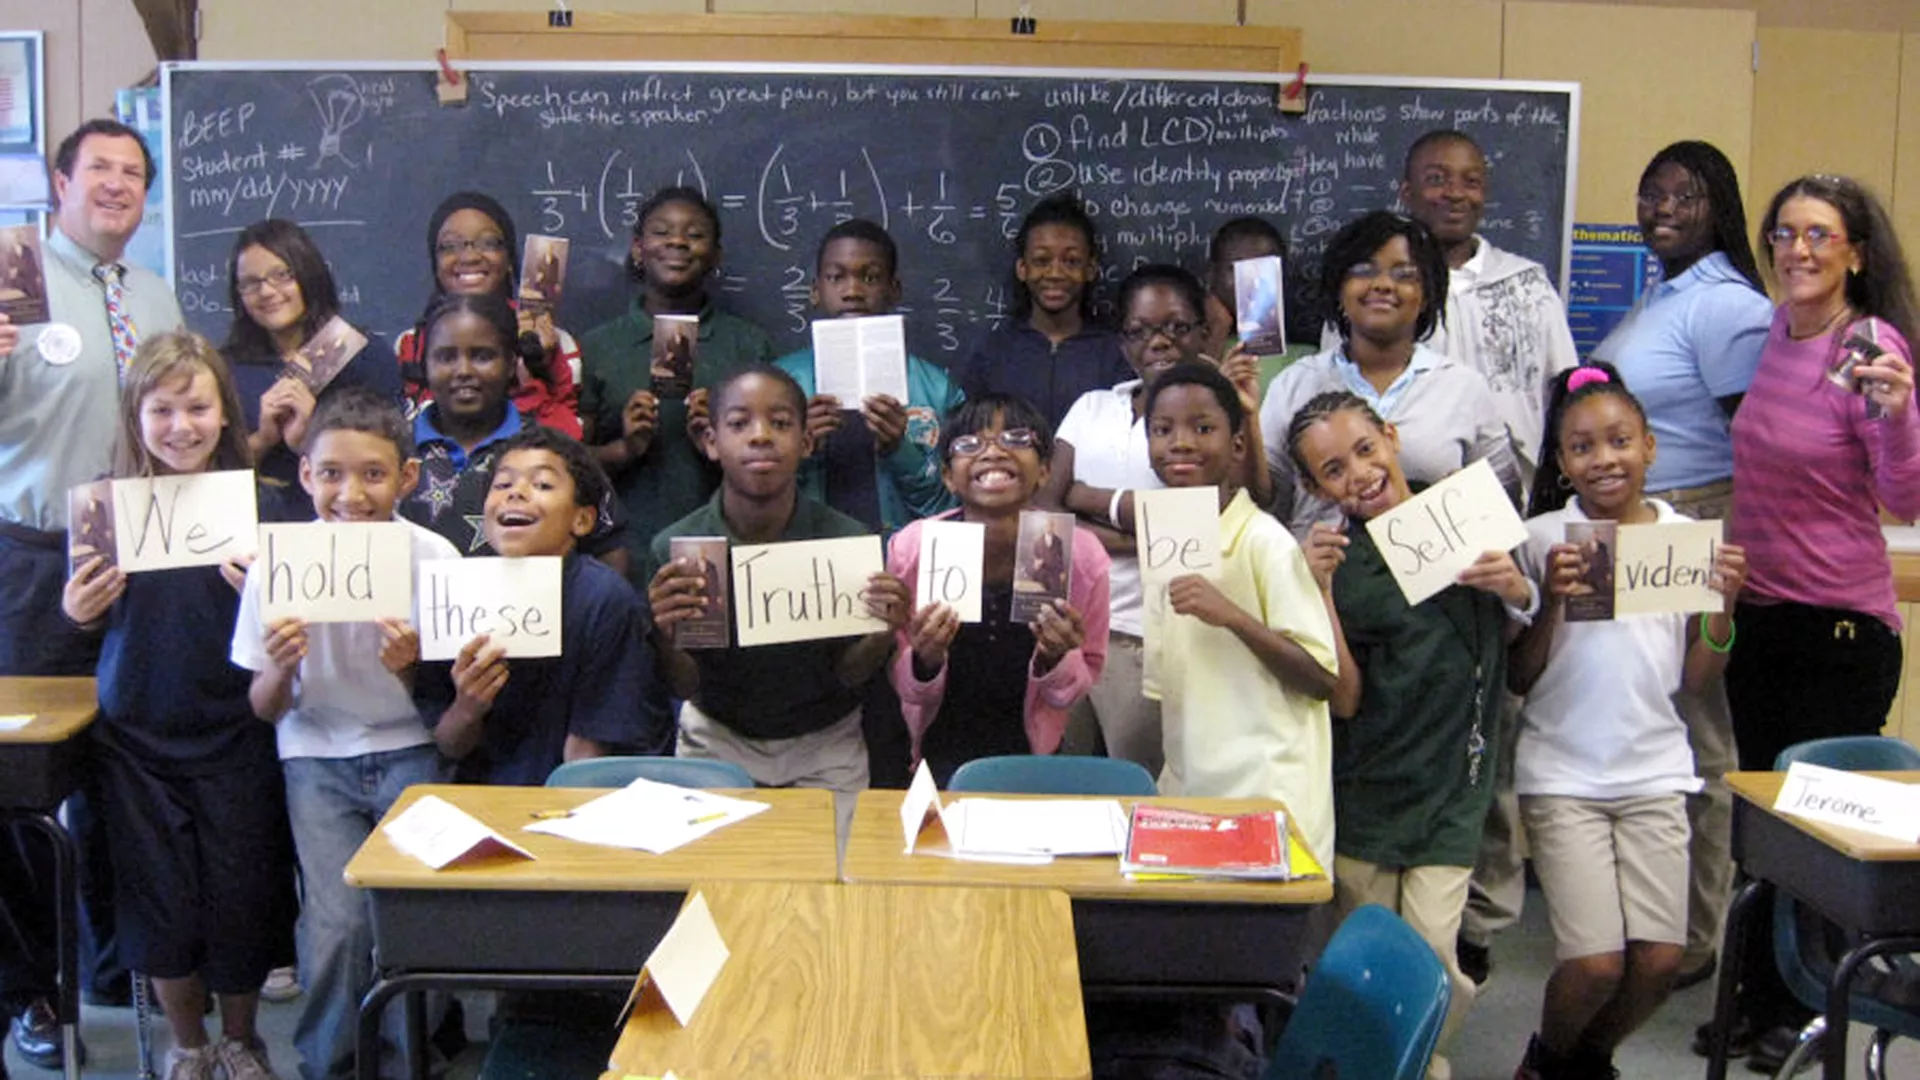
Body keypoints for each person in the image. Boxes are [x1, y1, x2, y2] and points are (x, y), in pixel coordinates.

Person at [1721, 173, 1920, 1069]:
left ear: (1856, 253)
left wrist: (1902, 415)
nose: (1798, 250)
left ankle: (1822, 1009)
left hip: (1839, 630)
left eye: (1819, 235)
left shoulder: (1865, 345)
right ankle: (1765, 1003)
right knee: (1768, 833)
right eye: (1785, 233)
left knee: (1814, 842)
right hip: (1764, 618)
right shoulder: (1777, 330)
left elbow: (1906, 494)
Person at [60, 331, 294, 1080]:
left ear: (226, 413)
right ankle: (187, 1043)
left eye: (197, 407)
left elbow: (296, 627)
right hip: (136, 735)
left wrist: (267, 588)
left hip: (237, 728)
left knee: (243, 890)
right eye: (162, 410)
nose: (181, 426)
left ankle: (241, 1038)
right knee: (158, 902)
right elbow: (90, 621)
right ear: (136, 417)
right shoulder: (105, 506)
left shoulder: (267, 509)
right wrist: (77, 607)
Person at [1511, 364, 1747, 1080]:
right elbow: (1520, 677)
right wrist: (1551, 598)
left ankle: (1589, 1059)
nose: (1603, 458)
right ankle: (1546, 1062)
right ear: (1562, 462)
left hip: (1655, 772)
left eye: (1619, 440)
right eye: (1582, 447)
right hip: (1562, 774)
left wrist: (1723, 604)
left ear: (1649, 446)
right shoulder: (1543, 536)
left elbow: (1695, 681)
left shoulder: (1682, 538)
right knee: (1593, 962)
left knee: (1659, 962)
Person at [1290, 390, 1535, 1080]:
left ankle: (1416, 1063)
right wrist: (1323, 595)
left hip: (1454, 780)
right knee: (1360, 956)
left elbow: (1515, 638)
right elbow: (1344, 699)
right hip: (1371, 780)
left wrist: (1517, 589)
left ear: (1392, 438)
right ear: (1314, 488)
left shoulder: (1465, 513)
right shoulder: (1344, 561)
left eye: (1366, 450)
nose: (1360, 475)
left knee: (1433, 958)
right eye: (1333, 471)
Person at [0, 117, 175, 1066]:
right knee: (24, 790)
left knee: (122, 769)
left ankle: (118, 963)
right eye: (99, 168)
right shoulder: (14, 280)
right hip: (33, 559)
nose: (117, 184)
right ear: (61, 184)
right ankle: (32, 990)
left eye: (134, 172)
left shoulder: (153, 291)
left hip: (146, 556)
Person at [228, 387, 455, 1080]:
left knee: (417, 917)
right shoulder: (279, 566)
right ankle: (330, 1061)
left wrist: (413, 668)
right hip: (315, 754)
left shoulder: (434, 557)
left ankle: (411, 1054)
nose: (350, 494)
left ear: (407, 479)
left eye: (373, 474)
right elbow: (264, 707)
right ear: (305, 475)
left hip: (410, 749)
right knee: (336, 927)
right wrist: (281, 664)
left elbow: (456, 705)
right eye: (330, 474)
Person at [1593, 140, 1772, 999]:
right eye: (1651, 191)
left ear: (1719, 206)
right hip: (1649, 526)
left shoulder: (1728, 305)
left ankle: (1697, 936)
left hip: (1694, 522)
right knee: (1648, 714)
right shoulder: (1667, 293)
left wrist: (1723, 557)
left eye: (1685, 196)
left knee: (1695, 731)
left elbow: (1758, 445)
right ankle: (1654, 917)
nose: (1662, 207)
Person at [646, 366, 910, 820]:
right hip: (718, 736)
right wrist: (665, 635)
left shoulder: (846, 542)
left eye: (782, 423)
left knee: (835, 878)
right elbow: (685, 684)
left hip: (826, 741)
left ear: (807, 443)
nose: (761, 436)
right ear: (710, 441)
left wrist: (883, 633)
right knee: (715, 876)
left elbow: (850, 673)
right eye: (739, 423)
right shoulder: (678, 549)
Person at [1042, 265, 1264, 774]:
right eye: (1140, 331)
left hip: (1152, 635)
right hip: (1070, 628)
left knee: (1140, 786)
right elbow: (1045, 514)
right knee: (1061, 781)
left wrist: (1090, 497)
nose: (1158, 342)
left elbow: (1206, 523)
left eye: (1176, 327)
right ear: (1123, 344)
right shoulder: (1093, 407)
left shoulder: (1209, 417)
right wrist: (1137, 529)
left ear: (1203, 333)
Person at [1143, 362, 1338, 864]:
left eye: (1202, 428)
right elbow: (1174, 693)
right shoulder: (1166, 540)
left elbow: (1321, 679)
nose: (1180, 443)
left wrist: (1232, 616)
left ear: (1236, 447)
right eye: (1162, 430)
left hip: (1270, 800)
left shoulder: (1266, 542)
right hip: (1194, 800)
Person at [418, 426, 669, 785]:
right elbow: (449, 744)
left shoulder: (605, 600)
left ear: (581, 519)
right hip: (481, 797)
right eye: (502, 485)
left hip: (575, 799)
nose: (516, 493)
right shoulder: (456, 593)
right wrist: (467, 707)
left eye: (543, 485)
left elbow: (588, 757)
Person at [1325, 130, 1579, 480]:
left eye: (1471, 181)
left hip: (1516, 499)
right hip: (1384, 494)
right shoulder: (1372, 298)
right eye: (1436, 179)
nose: (1455, 193)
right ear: (1406, 194)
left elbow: (1565, 394)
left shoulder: (1528, 286)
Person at [886, 394, 1111, 784]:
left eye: (1016, 439)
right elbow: (906, 691)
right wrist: (925, 659)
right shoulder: (912, 549)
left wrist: (1056, 659)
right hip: (937, 754)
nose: (993, 452)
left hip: (1033, 756)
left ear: (1043, 471)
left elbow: (1071, 693)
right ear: (947, 476)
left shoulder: (1080, 555)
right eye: (969, 444)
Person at [1262, 211, 1521, 535]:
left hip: (1433, 576)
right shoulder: (1294, 383)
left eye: (1405, 275)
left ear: (1426, 295)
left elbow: (1504, 502)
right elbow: (1264, 501)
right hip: (1317, 578)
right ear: (1340, 288)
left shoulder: (1463, 387)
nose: (1383, 284)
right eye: (1363, 271)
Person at [580, 186, 776, 573]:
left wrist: (722, 443)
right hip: (621, 557)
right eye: (661, 231)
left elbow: (778, 461)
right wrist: (625, 448)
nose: (677, 242)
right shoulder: (597, 347)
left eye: (695, 234)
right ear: (638, 248)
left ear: (716, 255)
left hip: (731, 550)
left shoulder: (748, 345)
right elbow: (567, 463)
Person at [397, 292, 627, 573]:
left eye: (483, 356)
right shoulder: (393, 451)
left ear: (510, 364)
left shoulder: (555, 451)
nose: (464, 371)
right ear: (425, 366)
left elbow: (610, 548)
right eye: (446, 357)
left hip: (536, 615)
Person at [773, 218, 963, 533]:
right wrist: (799, 449)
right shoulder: (780, 384)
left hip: (898, 564)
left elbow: (951, 510)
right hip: (804, 564)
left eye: (871, 278)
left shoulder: (938, 390)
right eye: (836, 277)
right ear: (815, 291)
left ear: (894, 289)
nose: (852, 292)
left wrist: (899, 450)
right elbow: (753, 497)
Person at [221, 219, 402, 520]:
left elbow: (394, 455)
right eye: (251, 283)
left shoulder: (362, 353)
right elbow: (211, 477)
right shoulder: (226, 368)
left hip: (350, 520)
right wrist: (263, 440)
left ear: (308, 275)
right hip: (258, 526)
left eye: (282, 275)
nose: (266, 291)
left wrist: (311, 438)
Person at [394, 192, 581, 438]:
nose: (470, 256)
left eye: (489, 243)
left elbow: (570, 445)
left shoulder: (558, 343)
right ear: (435, 264)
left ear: (510, 259)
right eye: (450, 246)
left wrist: (536, 369)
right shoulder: (411, 343)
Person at [958, 192, 1131, 429]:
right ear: (1022, 268)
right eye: (1041, 260)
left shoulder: (1116, 354)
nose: (1055, 274)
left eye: (1071, 261)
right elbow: (970, 432)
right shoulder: (992, 352)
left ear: (1090, 269)